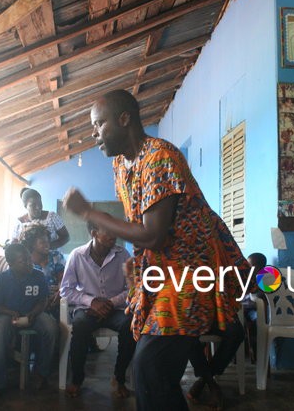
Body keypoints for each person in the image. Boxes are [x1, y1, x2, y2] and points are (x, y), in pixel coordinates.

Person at [63, 89, 249, 410]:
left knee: (151, 366)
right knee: (152, 371)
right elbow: (140, 226)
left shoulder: (160, 157)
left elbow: (152, 235)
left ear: (125, 119)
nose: (95, 135)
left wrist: (90, 212)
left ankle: (205, 382)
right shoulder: (121, 166)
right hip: (163, 276)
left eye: (99, 125)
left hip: (192, 274)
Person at [59, 218, 134, 398]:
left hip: (115, 309)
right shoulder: (77, 255)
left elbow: (132, 288)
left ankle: (120, 378)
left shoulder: (122, 254)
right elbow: (65, 289)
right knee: (80, 326)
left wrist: (111, 303)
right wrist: (91, 302)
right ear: (93, 233)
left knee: (129, 326)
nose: (113, 235)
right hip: (87, 310)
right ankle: (77, 379)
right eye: (108, 231)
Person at [0, 244, 58, 400]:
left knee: (50, 326)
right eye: (23, 261)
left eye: (28, 258)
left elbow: (43, 300)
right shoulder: (2, 279)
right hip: (9, 315)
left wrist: (34, 313)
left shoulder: (38, 276)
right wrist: (10, 313)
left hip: (34, 314)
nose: (28, 262)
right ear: (11, 263)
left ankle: (41, 373)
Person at [19, 224, 65, 318]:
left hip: (55, 300)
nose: (47, 244)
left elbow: (63, 279)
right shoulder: (25, 262)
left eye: (48, 241)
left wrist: (60, 291)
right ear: (32, 244)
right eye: (42, 242)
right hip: (33, 302)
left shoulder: (55, 256)